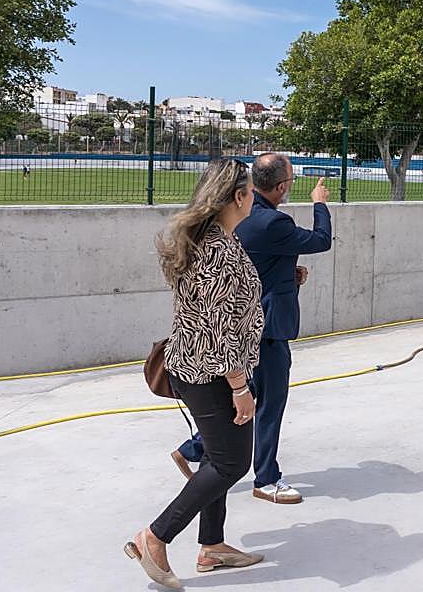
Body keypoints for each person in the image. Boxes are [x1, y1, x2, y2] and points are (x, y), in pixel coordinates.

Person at [125, 158, 265, 589]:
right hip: (212, 373)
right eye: (250, 190)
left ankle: (212, 546)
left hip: (200, 366)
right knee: (231, 463)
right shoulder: (219, 250)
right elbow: (221, 323)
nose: (254, 196)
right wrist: (239, 386)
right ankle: (155, 536)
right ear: (238, 197)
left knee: (217, 456)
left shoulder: (212, 239)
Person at [173, 152, 332, 505]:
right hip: (266, 328)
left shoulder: (240, 223)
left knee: (245, 403)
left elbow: (253, 265)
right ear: (279, 186)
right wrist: (320, 204)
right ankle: (266, 478)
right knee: (269, 403)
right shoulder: (272, 222)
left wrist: (288, 273)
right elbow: (321, 240)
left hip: (253, 324)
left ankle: (194, 448)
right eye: (289, 181)